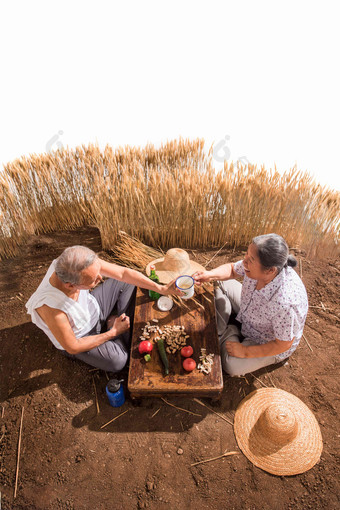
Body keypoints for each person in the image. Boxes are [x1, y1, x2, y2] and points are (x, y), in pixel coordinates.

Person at [26, 245, 178, 372]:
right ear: (70, 285)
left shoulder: (75, 260)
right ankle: (116, 330)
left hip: (94, 308)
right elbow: (72, 346)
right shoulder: (51, 307)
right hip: (82, 336)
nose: (101, 278)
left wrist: (161, 288)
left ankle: (117, 327)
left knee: (128, 282)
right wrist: (113, 332)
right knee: (118, 361)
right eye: (93, 280)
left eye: (98, 273)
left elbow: (123, 273)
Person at [193, 233, 308, 377]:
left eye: (250, 260)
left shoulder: (286, 304)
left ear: (270, 270)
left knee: (231, 365)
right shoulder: (257, 266)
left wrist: (245, 352)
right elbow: (232, 269)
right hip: (251, 313)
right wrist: (209, 275)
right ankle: (223, 331)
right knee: (222, 282)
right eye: (246, 255)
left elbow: (283, 344)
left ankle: (230, 331)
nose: (244, 261)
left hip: (264, 339)